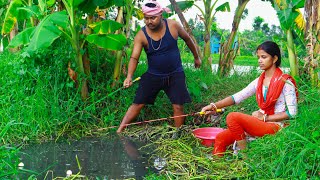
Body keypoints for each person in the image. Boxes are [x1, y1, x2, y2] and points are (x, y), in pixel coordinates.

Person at [201, 41, 298, 156]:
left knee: (232, 117)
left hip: (275, 125)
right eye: (258, 57)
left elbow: (293, 113)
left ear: (275, 58)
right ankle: (217, 168)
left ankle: (245, 156)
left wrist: (265, 118)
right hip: (259, 122)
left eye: (264, 57)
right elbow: (237, 97)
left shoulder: (286, 82)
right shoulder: (259, 80)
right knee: (221, 138)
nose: (259, 60)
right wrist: (214, 106)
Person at [117, 1, 201, 133]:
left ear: (161, 15)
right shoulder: (141, 35)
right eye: (146, 18)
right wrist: (129, 76)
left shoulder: (173, 25)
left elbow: (187, 39)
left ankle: (178, 134)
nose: (149, 21)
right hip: (153, 75)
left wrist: (196, 57)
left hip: (175, 74)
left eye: (153, 18)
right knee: (138, 103)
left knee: (178, 106)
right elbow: (134, 57)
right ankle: (120, 130)